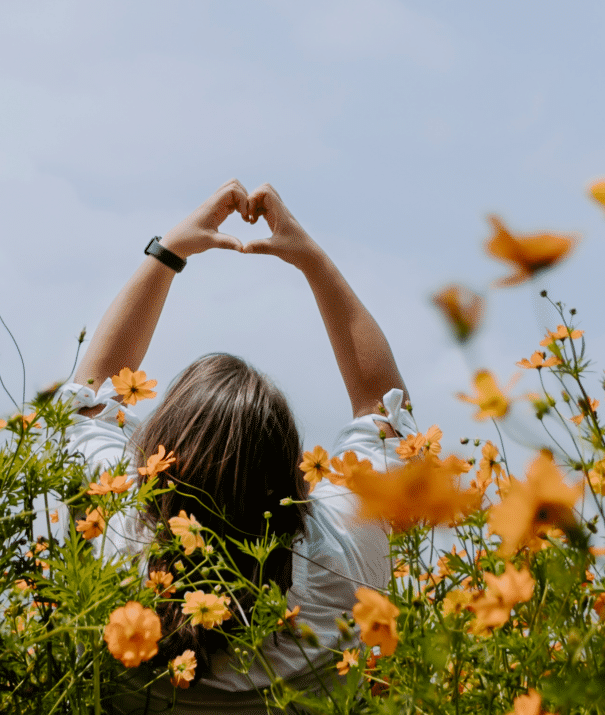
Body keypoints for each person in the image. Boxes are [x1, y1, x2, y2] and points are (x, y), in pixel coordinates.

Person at [59, 179, 414, 710]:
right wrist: (312, 261)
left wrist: (170, 251)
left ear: (155, 460)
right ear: (291, 477)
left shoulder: (111, 538)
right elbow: (387, 415)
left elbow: (88, 400)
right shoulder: (343, 558)